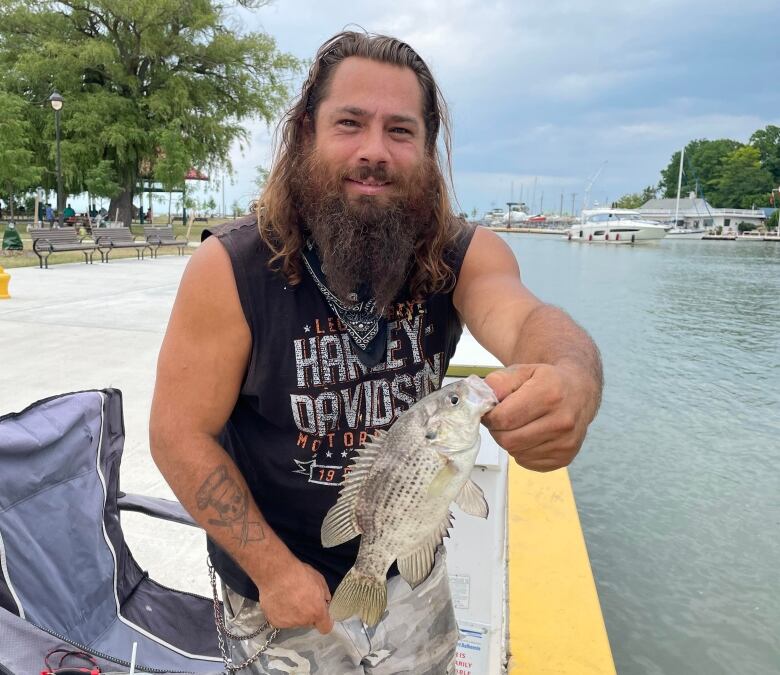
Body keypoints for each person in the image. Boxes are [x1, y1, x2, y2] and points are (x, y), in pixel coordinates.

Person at [150, 31, 602, 674]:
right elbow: (177, 433)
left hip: (413, 568)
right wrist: (274, 570)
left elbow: (528, 319)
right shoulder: (230, 269)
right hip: (274, 587)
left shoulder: (462, 255)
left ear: (427, 147)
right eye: (350, 124)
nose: (373, 151)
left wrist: (573, 375)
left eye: (400, 130)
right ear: (307, 133)